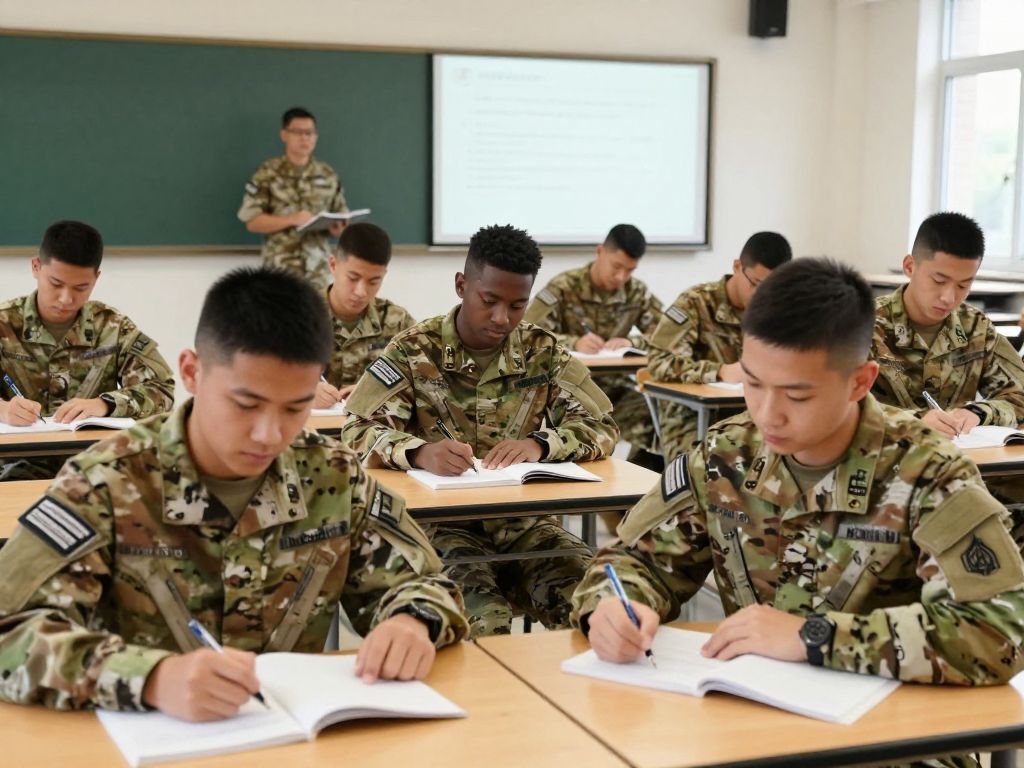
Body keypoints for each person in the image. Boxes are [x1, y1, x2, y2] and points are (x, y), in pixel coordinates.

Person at [0, 267, 468, 720]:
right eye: (246, 404)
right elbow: (11, 633)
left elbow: (426, 582)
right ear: (191, 371)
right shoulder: (106, 482)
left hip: (293, 744)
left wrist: (412, 621)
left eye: (296, 407)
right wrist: (150, 678)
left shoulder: (334, 477)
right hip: (150, 744)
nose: (269, 434)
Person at [572, 259, 1024, 724]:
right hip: (751, 719)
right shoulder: (726, 455)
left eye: (797, 395)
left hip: (891, 732)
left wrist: (815, 636)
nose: (768, 414)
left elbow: (999, 628)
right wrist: (612, 609)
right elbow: (635, 560)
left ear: (860, 381)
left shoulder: (927, 472)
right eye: (752, 382)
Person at [343, 224, 618, 638]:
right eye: (489, 301)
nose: (501, 318)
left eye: (517, 305)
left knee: (599, 606)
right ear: (461, 285)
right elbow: (357, 428)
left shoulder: (542, 351)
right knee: (482, 621)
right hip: (442, 529)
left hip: (524, 525)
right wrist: (418, 451)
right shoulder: (413, 349)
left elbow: (601, 426)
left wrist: (541, 444)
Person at [0, 220, 175, 481]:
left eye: (81, 288)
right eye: (56, 284)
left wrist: (105, 404)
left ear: (96, 279)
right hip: (13, 466)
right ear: (36, 267)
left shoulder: (113, 327)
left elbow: (162, 389)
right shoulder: (4, 324)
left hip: (94, 468)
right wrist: (2, 409)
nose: (66, 299)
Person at [871, 211, 1024, 436]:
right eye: (939, 281)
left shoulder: (975, 328)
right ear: (910, 267)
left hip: (960, 462)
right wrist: (915, 421)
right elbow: (837, 406)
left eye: (963, 286)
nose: (949, 297)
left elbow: (1019, 396)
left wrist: (978, 413)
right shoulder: (864, 324)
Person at [646, 231, 792, 460]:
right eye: (756, 283)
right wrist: (720, 372)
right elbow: (659, 361)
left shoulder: (778, 309)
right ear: (737, 266)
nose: (762, 295)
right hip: (691, 418)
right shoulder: (696, 302)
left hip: (756, 414)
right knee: (708, 468)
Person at [523, 224, 662, 462]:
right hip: (571, 388)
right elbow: (528, 333)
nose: (621, 277)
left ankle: (641, 484)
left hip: (616, 388)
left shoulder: (636, 292)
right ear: (600, 252)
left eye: (630, 270)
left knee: (656, 422)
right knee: (583, 434)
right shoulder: (565, 286)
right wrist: (574, 342)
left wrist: (632, 340)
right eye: (617, 267)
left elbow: (664, 337)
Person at [237, 107, 348, 290]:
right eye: (298, 132)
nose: (305, 138)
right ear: (284, 135)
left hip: (319, 272)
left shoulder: (328, 175)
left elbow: (342, 219)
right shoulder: (267, 173)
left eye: (310, 133)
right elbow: (252, 221)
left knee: (317, 319)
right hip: (279, 271)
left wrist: (339, 228)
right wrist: (291, 219)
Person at [315, 222, 415, 410]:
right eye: (353, 278)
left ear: (384, 275)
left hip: (373, 435)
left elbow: (425, 381)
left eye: (373, 281)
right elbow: (259, 375)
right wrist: (302, 393)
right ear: (333, 265)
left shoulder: (397, 322)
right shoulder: (297, 314)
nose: (361, 291)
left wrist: (377, 391)